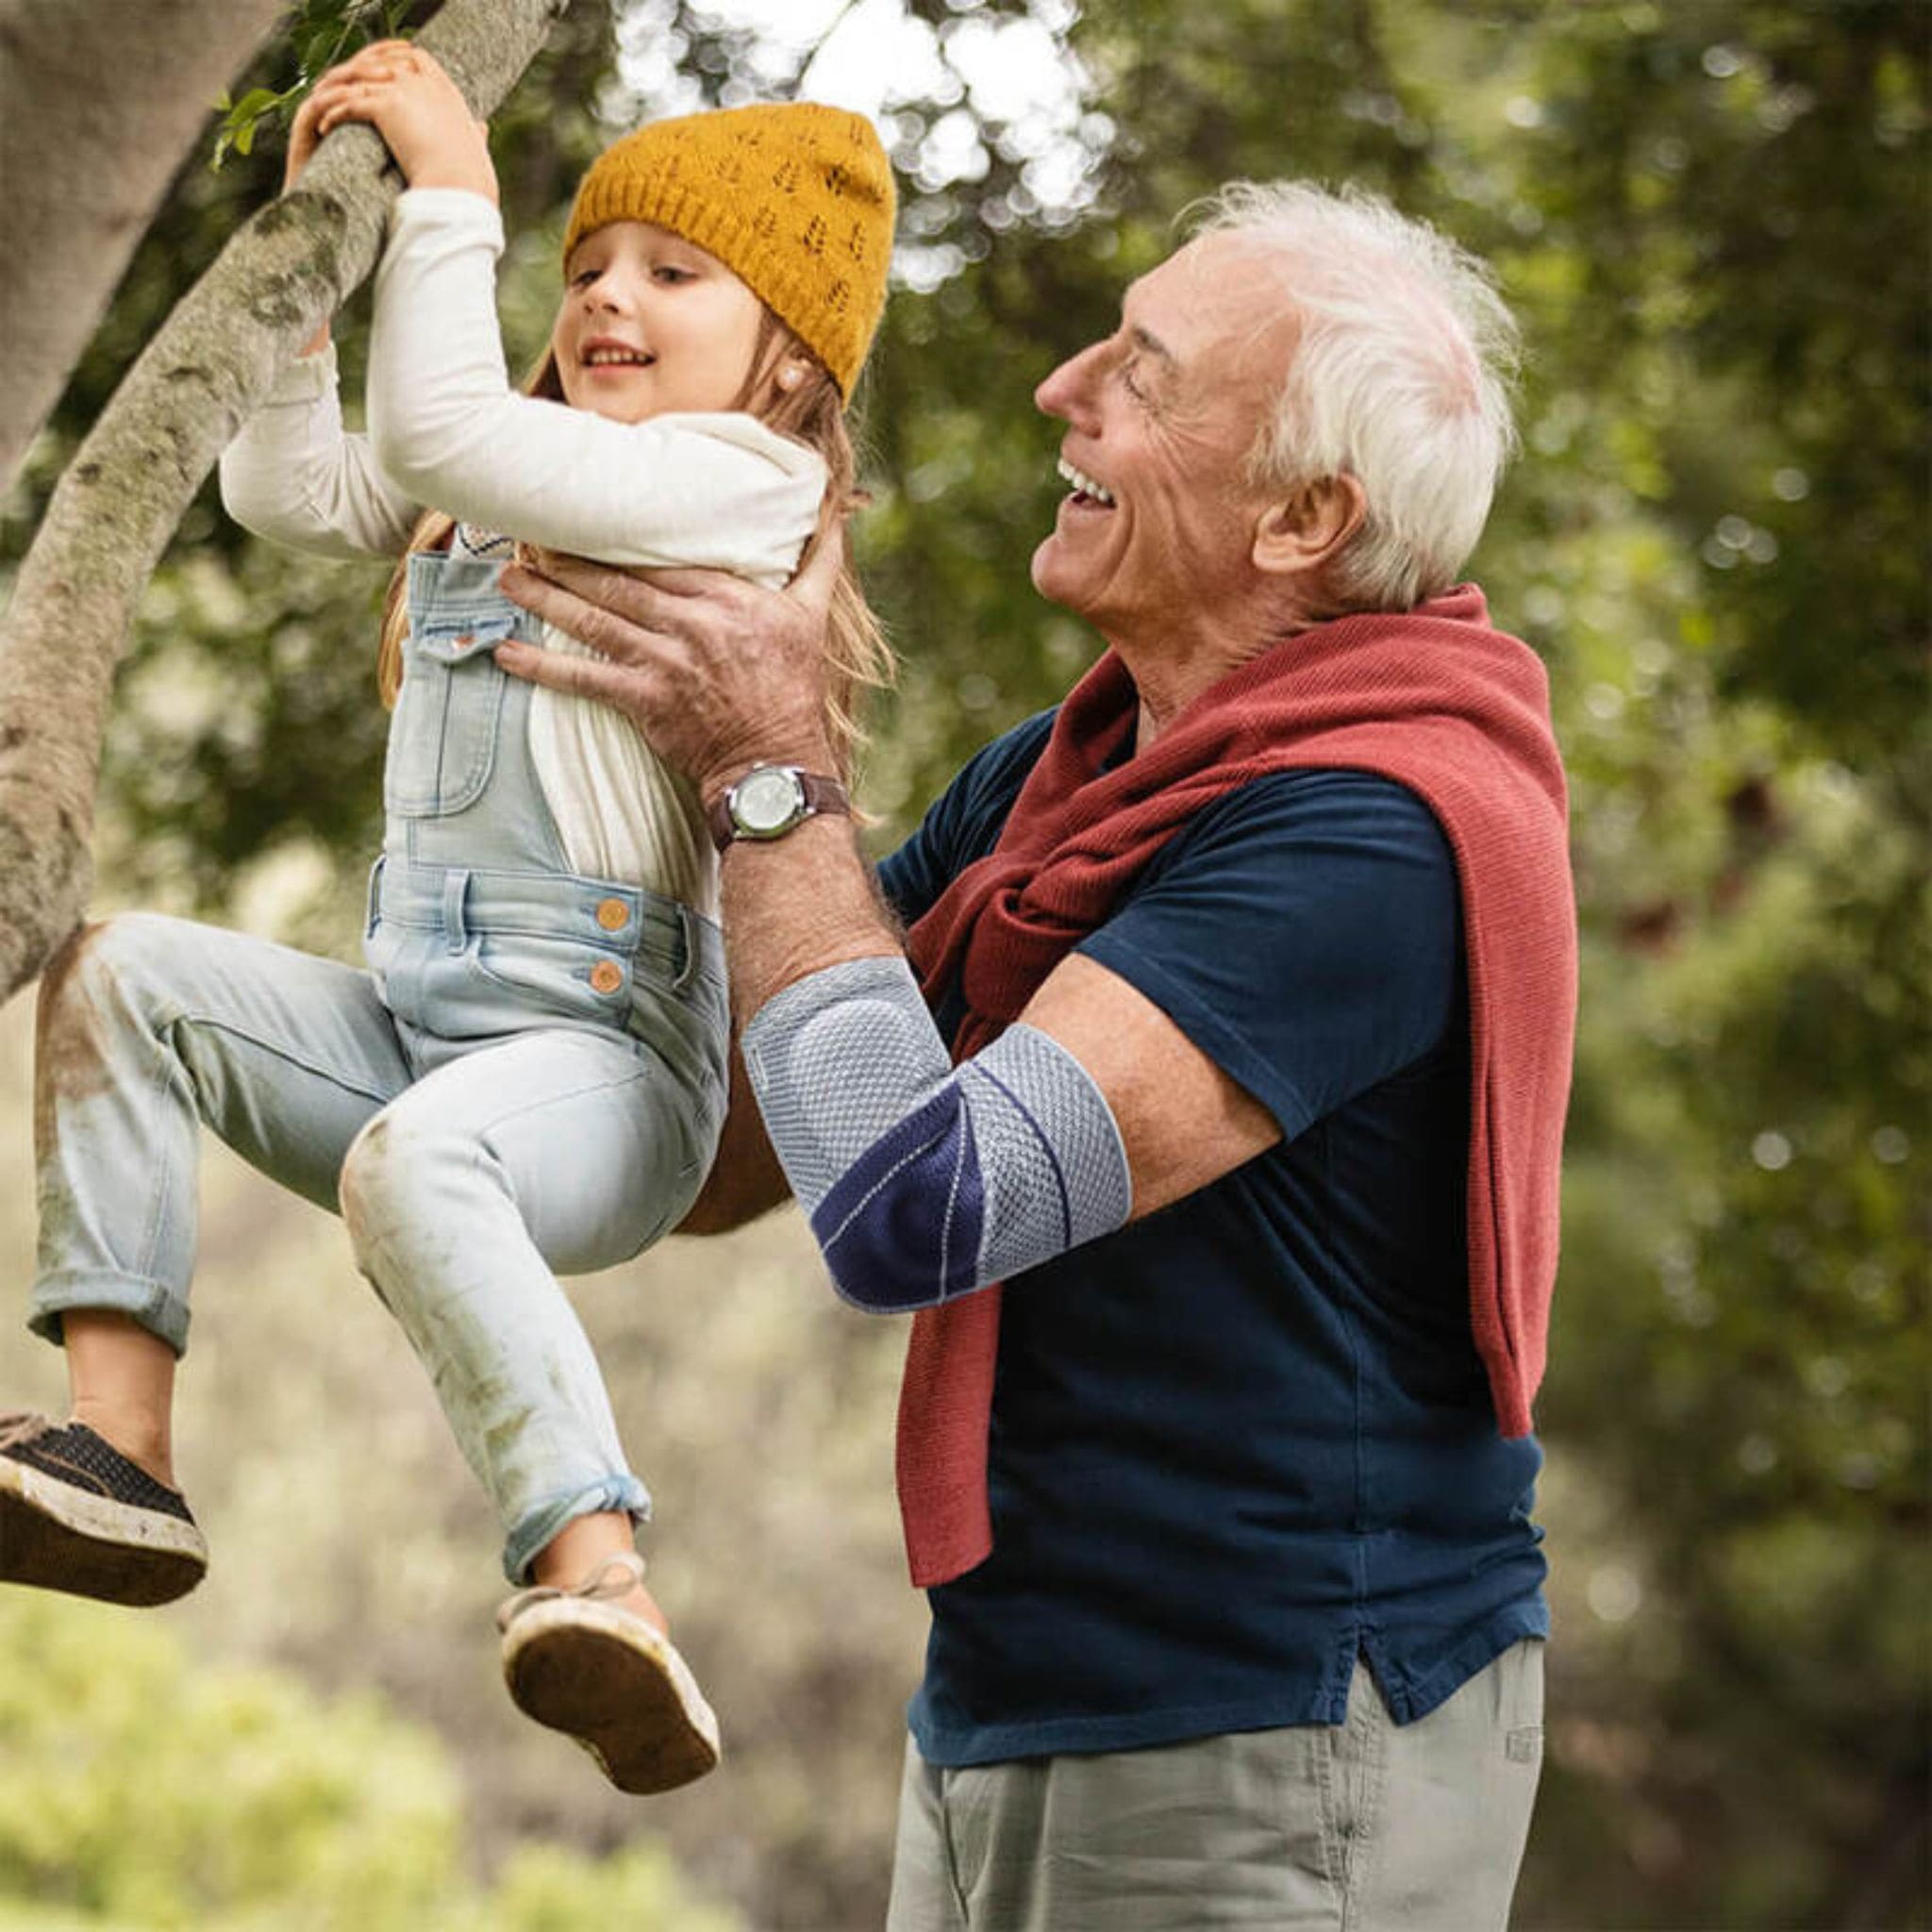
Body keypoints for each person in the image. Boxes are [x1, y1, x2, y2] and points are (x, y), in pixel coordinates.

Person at [495, 180, 1577, 1925]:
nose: (1060, 388)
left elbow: (916, 1207)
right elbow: (738, 1150)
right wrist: (445, 1044)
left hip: (1281, 1716)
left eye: (1145, 374)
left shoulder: (1371, 832)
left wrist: (766, 771)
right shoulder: (1062, 771)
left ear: (1305, 516)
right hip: (1014, 1693)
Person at [0, 42, 894, 1797]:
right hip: (419, 1032)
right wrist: (305, 289)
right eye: (588, 266)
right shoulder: (501, 480)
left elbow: (438, 430)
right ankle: (120, 1446)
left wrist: (452, 191)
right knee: (124, 979)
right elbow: (286, 491)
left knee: (416, 1164)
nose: (607, 296)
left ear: (790, 358)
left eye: (673, 273)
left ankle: (601, 1580)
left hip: (605, 1072)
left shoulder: (741, 484)